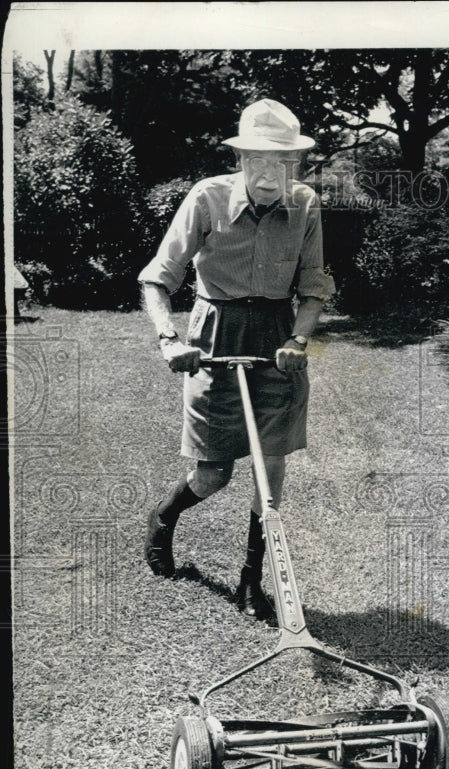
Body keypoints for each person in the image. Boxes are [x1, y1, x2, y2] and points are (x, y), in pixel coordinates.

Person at [139, 98, 335, 619]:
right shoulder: (206, 198)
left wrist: (298, 340)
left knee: (269, 478)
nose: (270, 174)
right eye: (258, 160)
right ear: (241, 159)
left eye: (281, 162)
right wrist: (169, 339)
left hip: (276, 337)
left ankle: (251, 580)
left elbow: (313, 285)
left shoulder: (305, 205)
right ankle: (164, 518)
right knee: (212, 475)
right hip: (213, 336)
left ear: (295, 164)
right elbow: (159, 276)